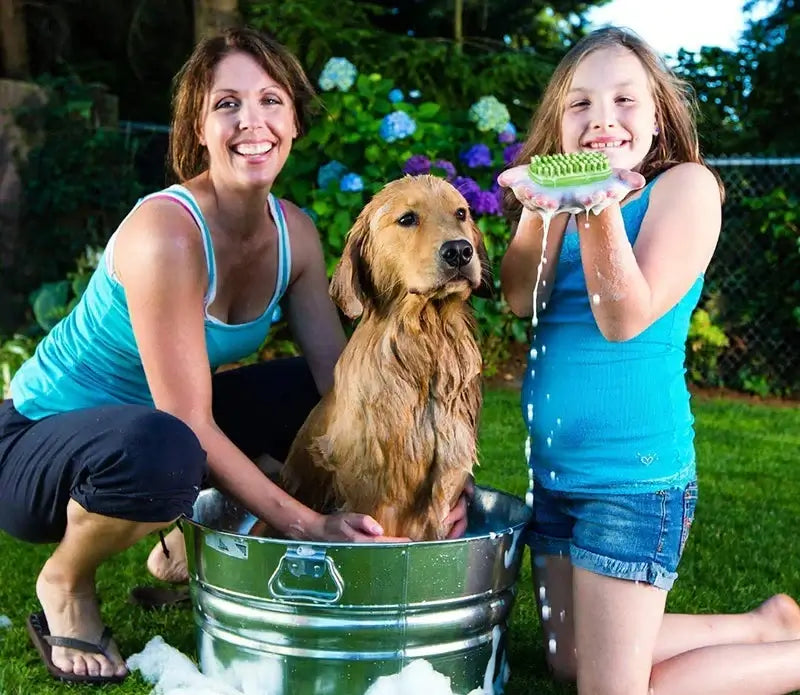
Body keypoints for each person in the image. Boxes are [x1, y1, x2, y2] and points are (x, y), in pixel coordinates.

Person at [0, 28, 468, 685]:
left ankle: (173, 542)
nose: (252, 121)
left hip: (154, 425)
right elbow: (187, 421)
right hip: (36, 443)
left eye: (271, 100)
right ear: (199, 124)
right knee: (168, 450)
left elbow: (348, 383)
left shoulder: (294, 234)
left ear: (295, 119)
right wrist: (308, 523)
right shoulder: (167, 233)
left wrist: (444, 474)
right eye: (227, 104)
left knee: (320, 392)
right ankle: (67, 579)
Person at [499, 26, 800, 695]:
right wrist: (535, 208)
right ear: (558, 125)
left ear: (658, 114)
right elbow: (520, 298)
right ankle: (763, 624)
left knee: (615, 688)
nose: (601, 117)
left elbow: (623, 317)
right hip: (557, 473)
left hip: (632, 480)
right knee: (568, 660)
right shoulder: (564, 202)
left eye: (624, 100)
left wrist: (598, 205)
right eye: (579, 105)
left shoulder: (685, 188)